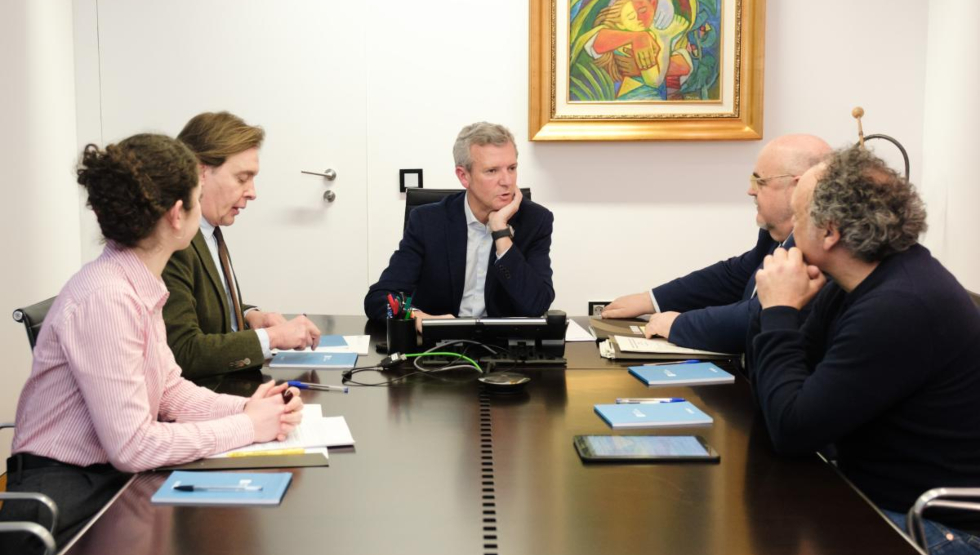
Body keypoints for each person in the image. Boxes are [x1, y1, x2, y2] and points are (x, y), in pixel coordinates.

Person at [0, 134, 304, 555]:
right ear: (177, 214)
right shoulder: (107, 298)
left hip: (105, 483)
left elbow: (170, 392)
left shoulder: (137, 283)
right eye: (198, 197)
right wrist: (247, 427)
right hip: (65, 511)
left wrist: (249, 408)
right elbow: (132, 447)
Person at [750, 146, 980, 555]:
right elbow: (776, 395)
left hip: (939, 528)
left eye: (798, 217)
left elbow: (791, 430)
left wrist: (778, 310)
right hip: (876, 495)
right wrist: (776, 311)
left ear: (829, 232)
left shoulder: (900, 305)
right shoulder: (858, 282)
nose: (791, 232)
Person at [601, 134, 831, 353]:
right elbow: (733, 276)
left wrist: (677, 325)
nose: (750, 191)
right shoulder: (777, 237)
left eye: (759, 181)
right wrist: (651, 300)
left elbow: (760, 315)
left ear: (798, 187)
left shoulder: (818, 248)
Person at [163, 111, 321, 379]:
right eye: (241, 178)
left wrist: (249, 316)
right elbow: (184, 352)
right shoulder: (174, 242)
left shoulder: (210, 230)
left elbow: (207, 310)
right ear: (200, 172)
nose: (252, 192)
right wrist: (272, 337)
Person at [364, 122, 555, 330]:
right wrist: (417, 317)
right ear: (464, 176)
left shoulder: (535, 221)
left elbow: (537, 305)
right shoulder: (427, 222)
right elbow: (380, 298)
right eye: (492, 171)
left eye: (512, 168)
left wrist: (501, 233)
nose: (507, 181)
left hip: (503, 343)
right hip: (438, 343)